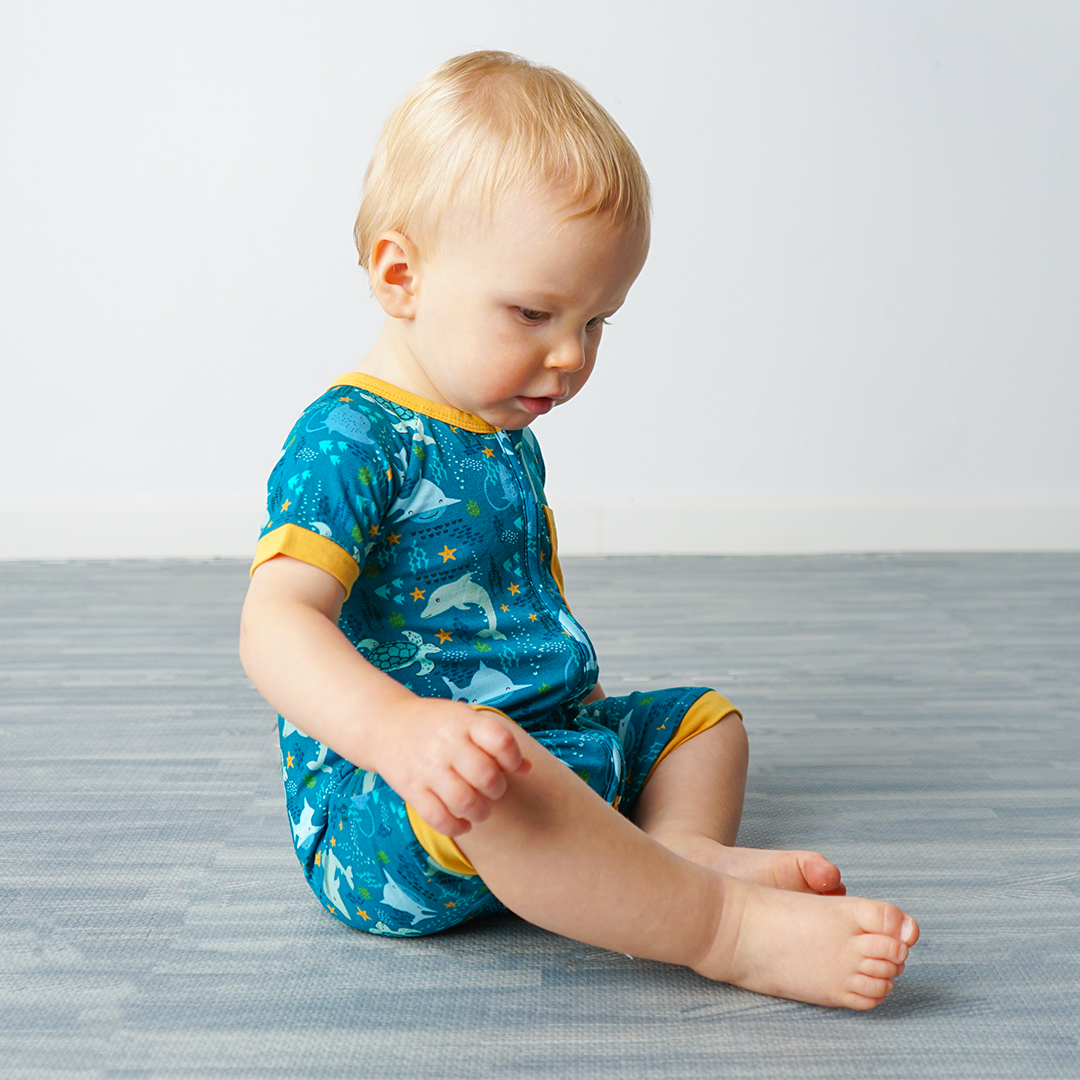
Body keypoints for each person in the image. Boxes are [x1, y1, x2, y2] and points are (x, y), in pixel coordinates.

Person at [239, 50, 919, 1010]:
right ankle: (720, 929)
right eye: (534, 313)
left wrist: (579, 695)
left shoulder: (497, 420)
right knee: (509, 777)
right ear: (401, 275)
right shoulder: (349, 439)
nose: (569, 357)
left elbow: (516, 597)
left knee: (702, 723)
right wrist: (399, 734)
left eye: (598, 322)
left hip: (540, 736)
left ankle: (671, 856)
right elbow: (274, 626)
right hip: (395, 807)